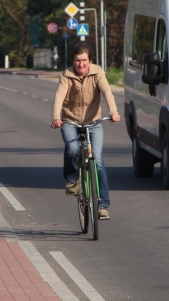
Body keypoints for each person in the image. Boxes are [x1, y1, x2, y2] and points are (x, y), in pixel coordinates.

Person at [51, 44, 121, 220]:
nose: (81, 64)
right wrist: (56, 117)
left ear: (90, 61)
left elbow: (107, 93)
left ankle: (103, 205)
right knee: (73, 148)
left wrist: (113, 112)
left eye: (84, 60)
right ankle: (72, 180)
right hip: (70, 120)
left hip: (94, 121)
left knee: (97, 160)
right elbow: (59, 97)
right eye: (77, 61)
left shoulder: (97, 73)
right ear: (73, 61)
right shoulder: (66, 76)